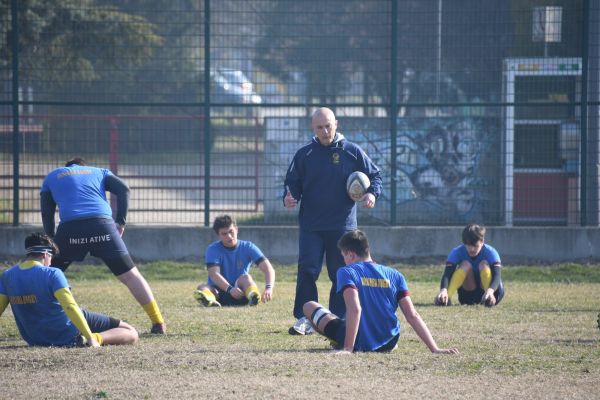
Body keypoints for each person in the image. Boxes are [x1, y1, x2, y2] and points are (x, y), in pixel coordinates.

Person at [284, 107, 382, 335]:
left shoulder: (352, 151)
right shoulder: (305, 154)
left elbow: (375, 175)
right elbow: (292, 183)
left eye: (328, 125)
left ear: (336, 124)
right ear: (313, 128)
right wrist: (289, 197)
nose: (325, 131)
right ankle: (305, 318)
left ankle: (337, 318)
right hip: (311, 226)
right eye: (320, 127)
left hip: (343, 226)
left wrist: (371, 194)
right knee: (308, 270)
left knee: (341, 273)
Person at [40, 157, 166, 334]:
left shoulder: (53, 176)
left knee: (47, 275)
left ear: (66, 168)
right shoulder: (99, 171)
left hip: (70, 229)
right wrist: (120, 222)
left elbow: (47, 212)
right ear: (85, 166)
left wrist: (52, 240)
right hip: (102, 225)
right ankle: (158, 322)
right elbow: (123, 189)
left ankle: (42, 322)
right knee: (131, 275)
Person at [303, 230, 458, 354]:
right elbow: (412, 315)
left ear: (350, 254)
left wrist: (348, 349)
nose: (344, 259)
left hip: (358, 341)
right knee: (344, 320)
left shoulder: (347, 272)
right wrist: (435, 349)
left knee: (309, 306)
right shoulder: (395, 274)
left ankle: (342, 342)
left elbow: (355, 309)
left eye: (343, 255)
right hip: (389, 340)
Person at [0, 233, 138, 347]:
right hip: (67, 336)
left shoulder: (7, 276)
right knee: (130, 332)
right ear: (45, 255)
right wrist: (91, 338)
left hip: (35, 340)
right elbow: (70, 307)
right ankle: (93, 338)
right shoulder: (53, 273)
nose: (51, 262)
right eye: (51, 257)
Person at [194, 215, 275, 307]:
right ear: (218, 235)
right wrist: (230, 289)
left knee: (246, 278)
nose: (229, 236)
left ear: (236, 229)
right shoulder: (212, 249)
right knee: (202, 287)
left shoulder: (248, 247)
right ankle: (210, 301)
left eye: (231, 231)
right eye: (224, 234)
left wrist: (269, 288)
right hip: (219, 294)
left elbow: (268, 269)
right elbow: (214, 275)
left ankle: (253, 296)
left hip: (241, 293)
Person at [434, 223, 505, 307]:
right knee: (465, 264)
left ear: (482, 241)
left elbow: (497, 276)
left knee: (483, 264)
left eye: (475, 245)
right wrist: (443, 290)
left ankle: (488, 298)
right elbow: (447, 274)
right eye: (468, 245)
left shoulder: (491, 252)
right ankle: (446, 298)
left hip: (493, 293)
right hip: (468, 297)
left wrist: (490, 291)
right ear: (464, 243)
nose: (471, 249)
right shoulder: (457, 252)